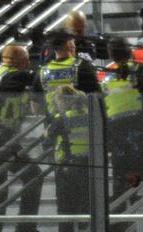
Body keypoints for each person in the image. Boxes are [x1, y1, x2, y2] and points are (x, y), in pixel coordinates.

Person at [102, 38, 143, 206]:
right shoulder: (142, 70)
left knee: (124, 184)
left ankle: (122, 221)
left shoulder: (106, 79)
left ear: (111, 55)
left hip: (119, 138)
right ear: (130, 51)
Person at [0, 44, 42, 232]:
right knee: (27, 178)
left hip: (3, 138)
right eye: (25, 60)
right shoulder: (10, 75)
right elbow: (28, 78)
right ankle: (25, 228)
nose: (28, 64)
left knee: (2, 190)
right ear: (16, 60)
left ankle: (22, 227)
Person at [43, 84, 90, 232]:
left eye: (58, 101)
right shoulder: (90, 115)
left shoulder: (61, 119)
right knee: (86, 208)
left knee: (65, 211)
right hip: (88, 166)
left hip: (66, 168)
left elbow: (47, 138)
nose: (57, 104)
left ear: (63, 101)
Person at [32, 31, 100, 116]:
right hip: (82, 123)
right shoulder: (83, 67)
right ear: (68, 44)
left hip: (54, 125)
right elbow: (97, 100)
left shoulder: (41, 73)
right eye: (73, 42)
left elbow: (36, 109)